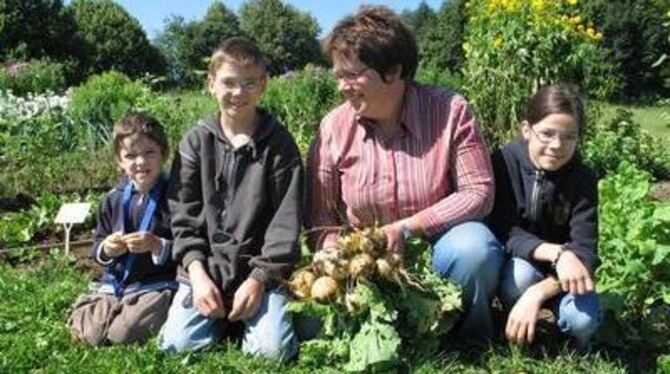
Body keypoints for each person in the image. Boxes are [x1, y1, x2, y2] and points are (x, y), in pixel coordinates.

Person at [306, 6, 502, 345]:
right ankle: (395, 330)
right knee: (304, 326)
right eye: (338, 75)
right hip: (367, 266)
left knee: (475, 248)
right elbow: (322, 217)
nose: (342, 87)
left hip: (436, 256)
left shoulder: (449, 111)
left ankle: (467, 339)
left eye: (351, 75)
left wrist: (407, 229)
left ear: (393, 70)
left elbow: (478, 191)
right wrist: (332, 253)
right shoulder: (333, 127)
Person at [159, 37, 302, 360]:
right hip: (205, 271)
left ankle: (252, 315)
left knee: (272, 353)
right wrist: (196, 273)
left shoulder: (279, 145)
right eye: (229, 82)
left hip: (259, 273)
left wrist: (259, 279)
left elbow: (286, 223)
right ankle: (224, 318)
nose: (238, 92)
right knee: (175, 346)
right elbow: (183, 216)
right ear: (211, 84)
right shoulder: (195, 143)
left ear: (263, 85)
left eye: (249, 83)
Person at [488, 83, 601, 349]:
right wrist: (557, 253)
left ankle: (568, 345)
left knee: (583, 321)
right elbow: (503, 228)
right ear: (526, 129)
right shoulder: (503, 163)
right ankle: (512, 327)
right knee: (520, 279)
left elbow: (585, 250)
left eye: (569, 137)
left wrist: (540, 292)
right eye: (547, 134)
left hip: (563, 275)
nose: (557, 146)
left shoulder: (583, 178)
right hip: (520, 264)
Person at [68, 113, 177, 346]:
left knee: (124, 333)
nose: (140, 162)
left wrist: (157, 245)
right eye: (130, 156)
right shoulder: (112, 199)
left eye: (149, 153)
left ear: (164, 154)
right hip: (115, 284)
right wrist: (107, 248)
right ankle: (99, 310)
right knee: (89, 334)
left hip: (156, 284)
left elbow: (188, 245)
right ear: (119, 161)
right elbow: (98, 244)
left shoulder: (176, 197)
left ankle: (132, 319)